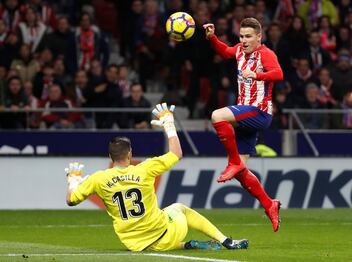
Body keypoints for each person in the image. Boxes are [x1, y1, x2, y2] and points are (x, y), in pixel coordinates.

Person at [65, 103, 249, 252]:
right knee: (179, 208)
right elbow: (176, 153)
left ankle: (186, 245)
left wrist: (73, 181)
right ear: (130, 154)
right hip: (163, 234)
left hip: (134, 245)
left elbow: (71, 200)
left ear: (110, 157)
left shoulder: (98, 178)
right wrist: (169, 124)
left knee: (160, 231)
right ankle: (226, 241)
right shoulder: (144, 169)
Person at [203, 18, 283, 232]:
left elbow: (278, 73)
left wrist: (256, 74)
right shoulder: (239, 50)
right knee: (242, 173)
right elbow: (225, 51)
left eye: (249, 36)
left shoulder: (265, 53)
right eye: (242, 36)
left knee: (217, 116)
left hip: (258, 111)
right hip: (245, 114)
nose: (244, 40)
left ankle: (233, 162)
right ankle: (269, 204)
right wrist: (212, 38)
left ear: (259, 36)